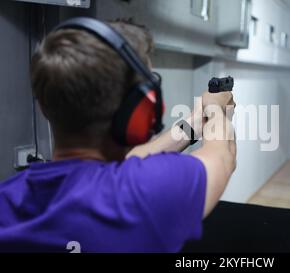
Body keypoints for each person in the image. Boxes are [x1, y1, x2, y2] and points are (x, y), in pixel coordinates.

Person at [0, 19, 236, 253]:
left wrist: (193, 124)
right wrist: (216, 108)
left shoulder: (7, 200)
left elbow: (128, 161)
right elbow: (222, 158)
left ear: (44, 106)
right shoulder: (146, 191)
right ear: (140, 109)